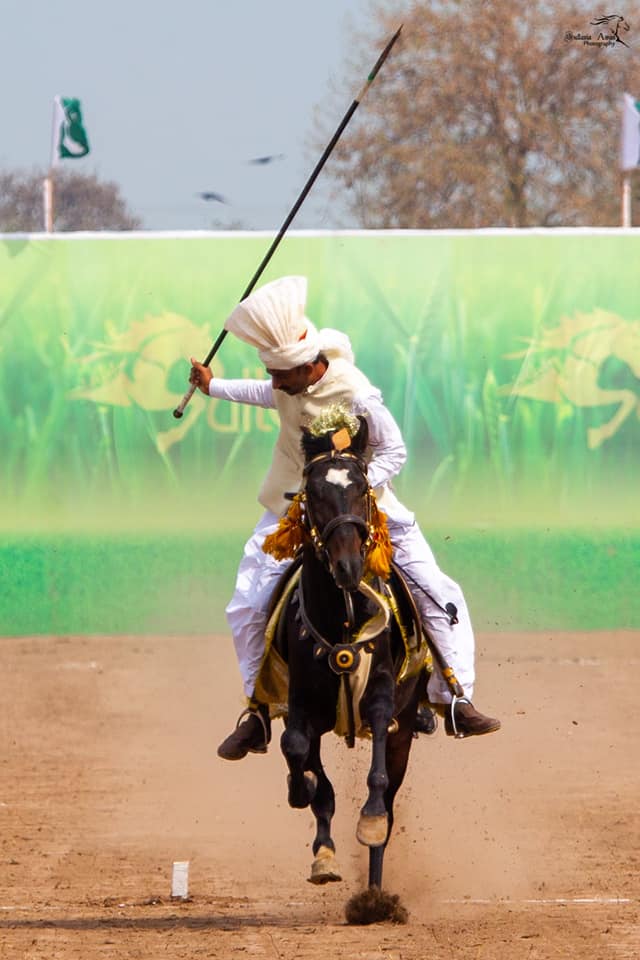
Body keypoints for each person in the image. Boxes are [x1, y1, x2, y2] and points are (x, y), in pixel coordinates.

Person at [189, 276, 500, 759]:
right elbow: (260, 391)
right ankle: (256, 712)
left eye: (281, 376)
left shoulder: (355, 393)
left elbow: (394, 451)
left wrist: (353, 491)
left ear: (310, 367)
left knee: (440, 595)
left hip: (365, 508)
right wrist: (212, 387)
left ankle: (454, 698)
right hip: (289, 509)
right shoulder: (287, 386)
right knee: (246, 606)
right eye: (273, 375)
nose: (275, 384)